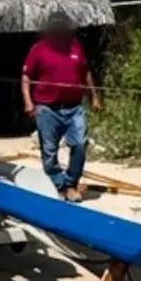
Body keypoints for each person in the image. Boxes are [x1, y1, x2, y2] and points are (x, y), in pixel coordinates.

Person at [22, 11, 102, 202]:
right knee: (49, 151)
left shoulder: (75, 46)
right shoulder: (39, 49)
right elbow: (26, 77)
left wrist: (95, 96)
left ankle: (71, 183)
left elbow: (86, 71)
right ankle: (58, 185)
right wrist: (28, 102)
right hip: (47, 108)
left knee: (80, 145)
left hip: (74, 107)